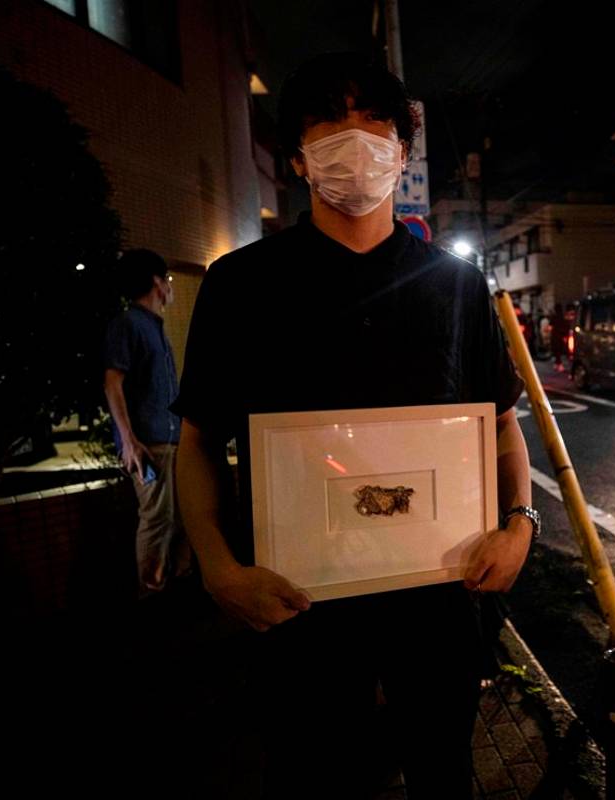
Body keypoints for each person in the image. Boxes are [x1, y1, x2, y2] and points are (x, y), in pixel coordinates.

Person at [172, 53, 532, 799]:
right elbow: (199, 439)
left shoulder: (456, 284)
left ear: (402, 153)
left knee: (444, 771)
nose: (355, 140)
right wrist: (216, 567)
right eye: (329, 122)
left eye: (375, 122)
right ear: (298, 158)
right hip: (297, 603)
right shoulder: (242, 284)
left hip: (437, 592)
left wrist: (520, 524)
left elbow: (500, 425)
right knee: (309, 775)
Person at [103, 248, 191, 596]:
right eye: (168, 279)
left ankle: (178, 584)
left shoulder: (152, 326)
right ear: (157, 282)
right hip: (148, 443)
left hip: (169, 439)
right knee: (158, 518)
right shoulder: (128, 324)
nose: (170, 286)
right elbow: (112, 382)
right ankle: (150, 592)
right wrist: (128, 441)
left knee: (181, 517)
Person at [549, 301, 570, 371]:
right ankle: (558, 364)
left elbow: (550, 327)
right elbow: (567, 326)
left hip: (555, 336)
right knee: (561, 351)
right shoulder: (564, 317)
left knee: (556, 351)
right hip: (562, 336)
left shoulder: (554, 317)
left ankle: (558, 364)